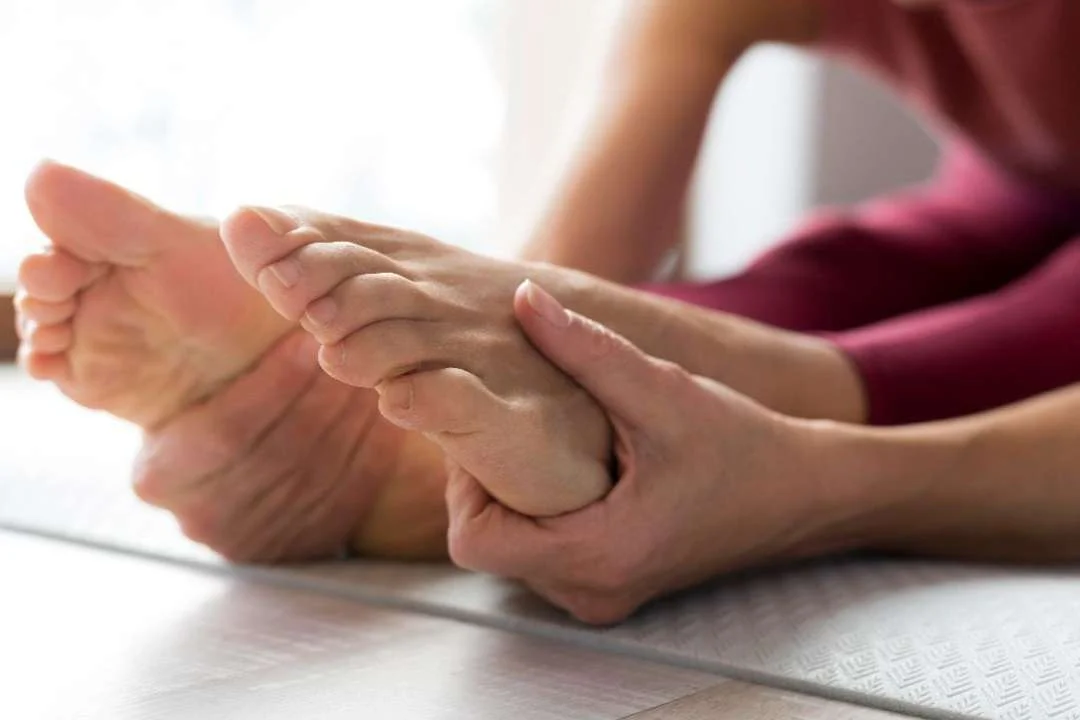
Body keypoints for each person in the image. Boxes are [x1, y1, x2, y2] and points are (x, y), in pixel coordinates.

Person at [13, 0, 1080, 617]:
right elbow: (576, 272)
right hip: (1021, 188)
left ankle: (772, 399)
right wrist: (518, 368)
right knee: (828, 275)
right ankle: (424, 457)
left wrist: (821, 486)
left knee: (1017, 315)